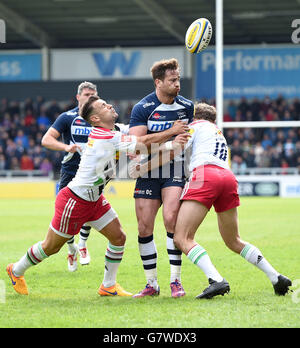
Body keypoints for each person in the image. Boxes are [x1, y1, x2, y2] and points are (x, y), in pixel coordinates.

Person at [6, 95, 189, 296]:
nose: (110, 105)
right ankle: (16, 270)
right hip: (75, 199)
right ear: (95, 119)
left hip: (95, 199)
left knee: (118, 237)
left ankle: (108, 285)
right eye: (103, 106)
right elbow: (142, 142)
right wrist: (172, 132)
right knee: (51, 247)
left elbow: (143, 133)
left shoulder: (116, 130)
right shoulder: (105, 136)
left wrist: (170, 133)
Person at [172, 103, 292, 299]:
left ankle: (216, 280)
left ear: (195, 117)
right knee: (233, 240)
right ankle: (275, 277)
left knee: (182, 238)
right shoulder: (217, 132)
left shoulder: (196, 126)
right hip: (227, 177)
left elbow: (177, 148)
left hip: (205, 175)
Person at [129, 58, 194, 298]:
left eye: (178, 79)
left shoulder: (187, 106)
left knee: (171, 219)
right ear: (158, 82)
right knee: (144, 226)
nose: (178, 84)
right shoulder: (143, 108)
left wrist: (162, 144)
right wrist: (170, 135)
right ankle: (151, 284)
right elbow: (136, 146)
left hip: (174, 169)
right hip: (147, 171)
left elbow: (180, 146)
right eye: (173, 80)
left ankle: (176, 281)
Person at [41, 82, 97, 271]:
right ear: (78, 97)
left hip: (92, 173)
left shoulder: (99, 118)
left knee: (90, 211)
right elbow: (46, 140)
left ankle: (82, 244)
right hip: (70, 172)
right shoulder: (67, 117)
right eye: (87, 94)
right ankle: (72, 247)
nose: (91, 98)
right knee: (66, 216)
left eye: (93, 95)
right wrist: (66, 147)